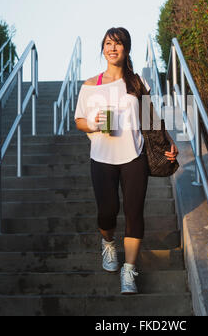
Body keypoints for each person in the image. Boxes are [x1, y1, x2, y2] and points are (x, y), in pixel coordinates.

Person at [74, 27, 179, 295]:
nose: (112, 48)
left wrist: (168, 143)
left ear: (126, 49)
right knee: (107, 211)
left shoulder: (137, 82)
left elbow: (150, 117)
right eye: (108, 43)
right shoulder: (90, 85)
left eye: (118, 44)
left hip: (135, 156)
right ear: (103, 49)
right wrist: (94, 124)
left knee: (134, 213)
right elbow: (79, 121)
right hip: (101, 156)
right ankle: (108, 242)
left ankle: (129, 270)